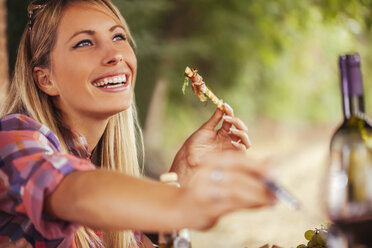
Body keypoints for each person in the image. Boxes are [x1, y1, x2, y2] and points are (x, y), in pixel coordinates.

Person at [0, 0, 275, 247]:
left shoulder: (108, 178)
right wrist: (180, 204)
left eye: (118, 36)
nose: (115, 55)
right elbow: (73, 192)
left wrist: (183, 172)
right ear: (45, 79)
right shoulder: (12, 139)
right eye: (84, 42)